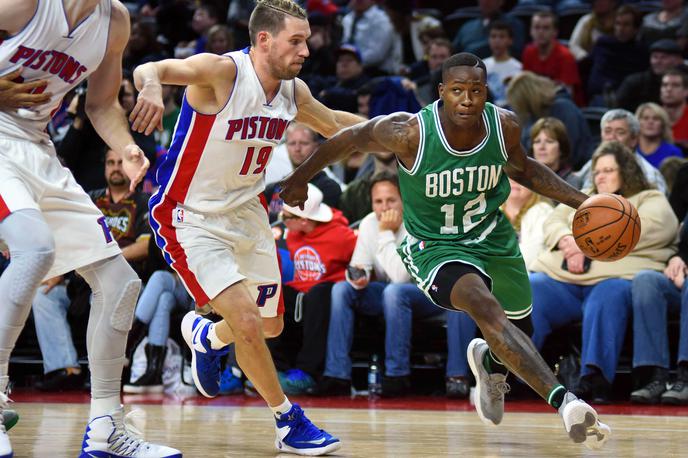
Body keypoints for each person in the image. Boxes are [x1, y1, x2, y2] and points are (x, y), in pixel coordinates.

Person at [280, 52, 611, 450]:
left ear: (486, 91)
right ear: (441, 92)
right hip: (435, 246)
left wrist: (582, 201)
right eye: (457, 91)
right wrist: (299, 179)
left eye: (475, 91)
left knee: (519, 334)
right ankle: (567, 403)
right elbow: (348, 139)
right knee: (484, 307)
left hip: (492, 238)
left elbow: (523, 169)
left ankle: (489, 364)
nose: (467, 100)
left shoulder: (502, 125)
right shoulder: (409, 132)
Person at [131, 0, 364, 454]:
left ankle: (207, 337)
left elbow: (336, 126)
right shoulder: (222, 73)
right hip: (191, 215)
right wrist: (152, 88)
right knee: (247, 322)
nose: (306, 50)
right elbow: (150, 68)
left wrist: (404, 134)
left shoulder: (293, 92)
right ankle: (287, 422)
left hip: (248, 213)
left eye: (306, 39)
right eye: (295, 41)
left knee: (270, 325)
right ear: (264, 40)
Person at [0, 0, 180, 456]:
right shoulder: (24, 5)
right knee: (35, 249)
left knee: (120, 283)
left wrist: (126, 146)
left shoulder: (114, 21)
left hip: (38, 149)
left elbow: (100, 104)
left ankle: (106, 428)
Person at [529, 141, 678, 403]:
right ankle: (517, 374)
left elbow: (656, 228)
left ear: (626, 171)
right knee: (532, 287)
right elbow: (553, 221)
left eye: (609, 170)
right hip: (564, 279)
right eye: (597, 171)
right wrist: (567, 241)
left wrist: (589, 243)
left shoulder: (648, 197)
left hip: (613, 280)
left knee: (607, 296)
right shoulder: (583, 196)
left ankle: (594, 380)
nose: (601, 176)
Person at [313, 171, 477, 398]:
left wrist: (386, 234)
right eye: (378, 202)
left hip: (430, 293)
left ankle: (396, 375)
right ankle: (337, 375)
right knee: (341, 289)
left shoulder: (419, 223)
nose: (383, 208)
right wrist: (358, 277)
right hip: (389, 293)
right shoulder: (371, 222)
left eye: (391, 200)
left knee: (395, 291)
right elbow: (360, 265)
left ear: (405, 199)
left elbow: (401, 276)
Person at [32, 147, 152, 392]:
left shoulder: (143, 202)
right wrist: (59, 270)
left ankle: (101, 376)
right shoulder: (91, 198)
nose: (116, 167)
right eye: (110, 162)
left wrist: (103, 257)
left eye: (121, 162)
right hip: (79, 280)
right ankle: (65, 367)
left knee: (104, 292)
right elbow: (66, 235)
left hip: (124, 281)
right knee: (43, 296)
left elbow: (146, 246)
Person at [268, 184, 356, 394]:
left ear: (304, 220)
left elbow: (363, 262)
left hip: (325, 292)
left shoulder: (342, 237)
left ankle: (307, 372)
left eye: (287, 216)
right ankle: (277, 369)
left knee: (320, 294)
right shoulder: (292, 233)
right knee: (272, 294)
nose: (282, 219)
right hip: (300, 290)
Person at [630, 214, 688, 404]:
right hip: (681, 279)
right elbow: (683, 246)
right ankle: (654, 376)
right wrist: (677, 259)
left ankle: (685, 376)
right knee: (646, 280)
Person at [575, 109, 668, 193]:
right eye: (607, 131)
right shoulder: (591, 164)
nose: (612, 137)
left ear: (634, 139)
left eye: (620, 132)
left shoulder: (649, 174)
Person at [484, 21, 522, 108]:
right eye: (493, 36)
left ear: (510, 40)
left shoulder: (518, 67)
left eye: (502, 36)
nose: (497, 40)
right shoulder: (481, 66)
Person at [635, 102, 684, 169]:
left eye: (655, 118)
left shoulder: (673, 152)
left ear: (663, 124)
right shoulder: (630, 151)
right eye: (645, 118)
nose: (650, 122)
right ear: (637, 123)